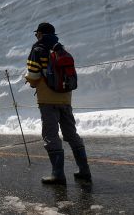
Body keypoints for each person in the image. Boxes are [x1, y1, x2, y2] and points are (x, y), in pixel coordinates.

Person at [25, 22, 91, 185]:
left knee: (50, 135)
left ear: (40, 34)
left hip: (48, 99)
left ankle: (58, 174)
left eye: (37, 34)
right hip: (65, 98)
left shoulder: (38, 49)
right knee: (70, 133)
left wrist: (31, 82)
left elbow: (33, 75)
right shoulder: (60, 49)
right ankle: (84, 170)